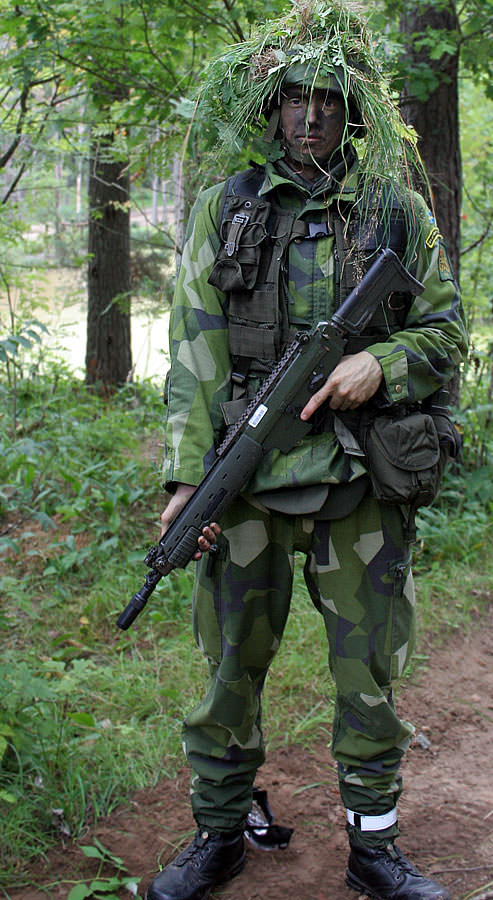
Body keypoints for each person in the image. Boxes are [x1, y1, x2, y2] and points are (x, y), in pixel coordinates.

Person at [147, 2, 468, 899]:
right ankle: (218, 833)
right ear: (271, 108)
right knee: (227, 670)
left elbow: (447, 332)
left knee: (369, 675)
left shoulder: (396, 212)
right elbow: (194, 354)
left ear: (354, 112)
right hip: (245, 481)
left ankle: (374, 848)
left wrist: (382, 361)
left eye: (329, 101)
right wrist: (186, 481)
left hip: (359, 481)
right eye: (296, 100)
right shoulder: (226, 208)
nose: (312, 117)